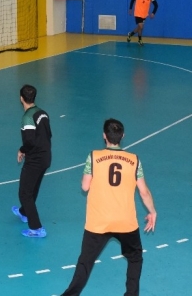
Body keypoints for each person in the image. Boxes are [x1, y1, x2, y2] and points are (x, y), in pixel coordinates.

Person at [61, 118, 156, 296]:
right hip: (125, 222)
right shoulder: (134, 160)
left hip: (98, 222)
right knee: (135, 258)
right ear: (123, 136)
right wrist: (152, 211)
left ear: (104, 136)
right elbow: (144, 192)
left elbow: (85, 186)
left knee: (85, 262)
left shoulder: (94, 157)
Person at [11, 85, 52, 238]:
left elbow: (29, 141)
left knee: (24, 193)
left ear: (21, 98)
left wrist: (22, 150)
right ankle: (24, 212)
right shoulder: (43, 113)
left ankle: (37, 228)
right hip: (46, 157)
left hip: (35, 160)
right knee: (32, 188)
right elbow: (48, 135)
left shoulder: (27, 117)